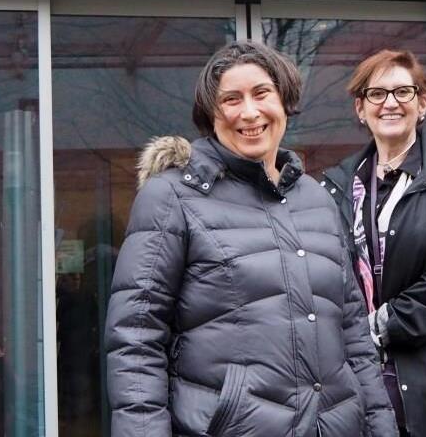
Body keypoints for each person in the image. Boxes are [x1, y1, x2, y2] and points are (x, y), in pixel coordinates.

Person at [104, 41, 397, 437]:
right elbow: (136, 339)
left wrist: (382, 428)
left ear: (284, 100)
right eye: (231, 99)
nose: (249, 112)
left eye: (262, 93)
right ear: (211, 113)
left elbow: (354, 337)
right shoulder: (171, 196)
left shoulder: (317, 199)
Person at [321, 49, 426, 436]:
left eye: (403, 92)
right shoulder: (335, 187)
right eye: (377, 94)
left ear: (422, 104)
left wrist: (383, 325)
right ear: (360, 108)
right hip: (358, 381)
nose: (390, 103)